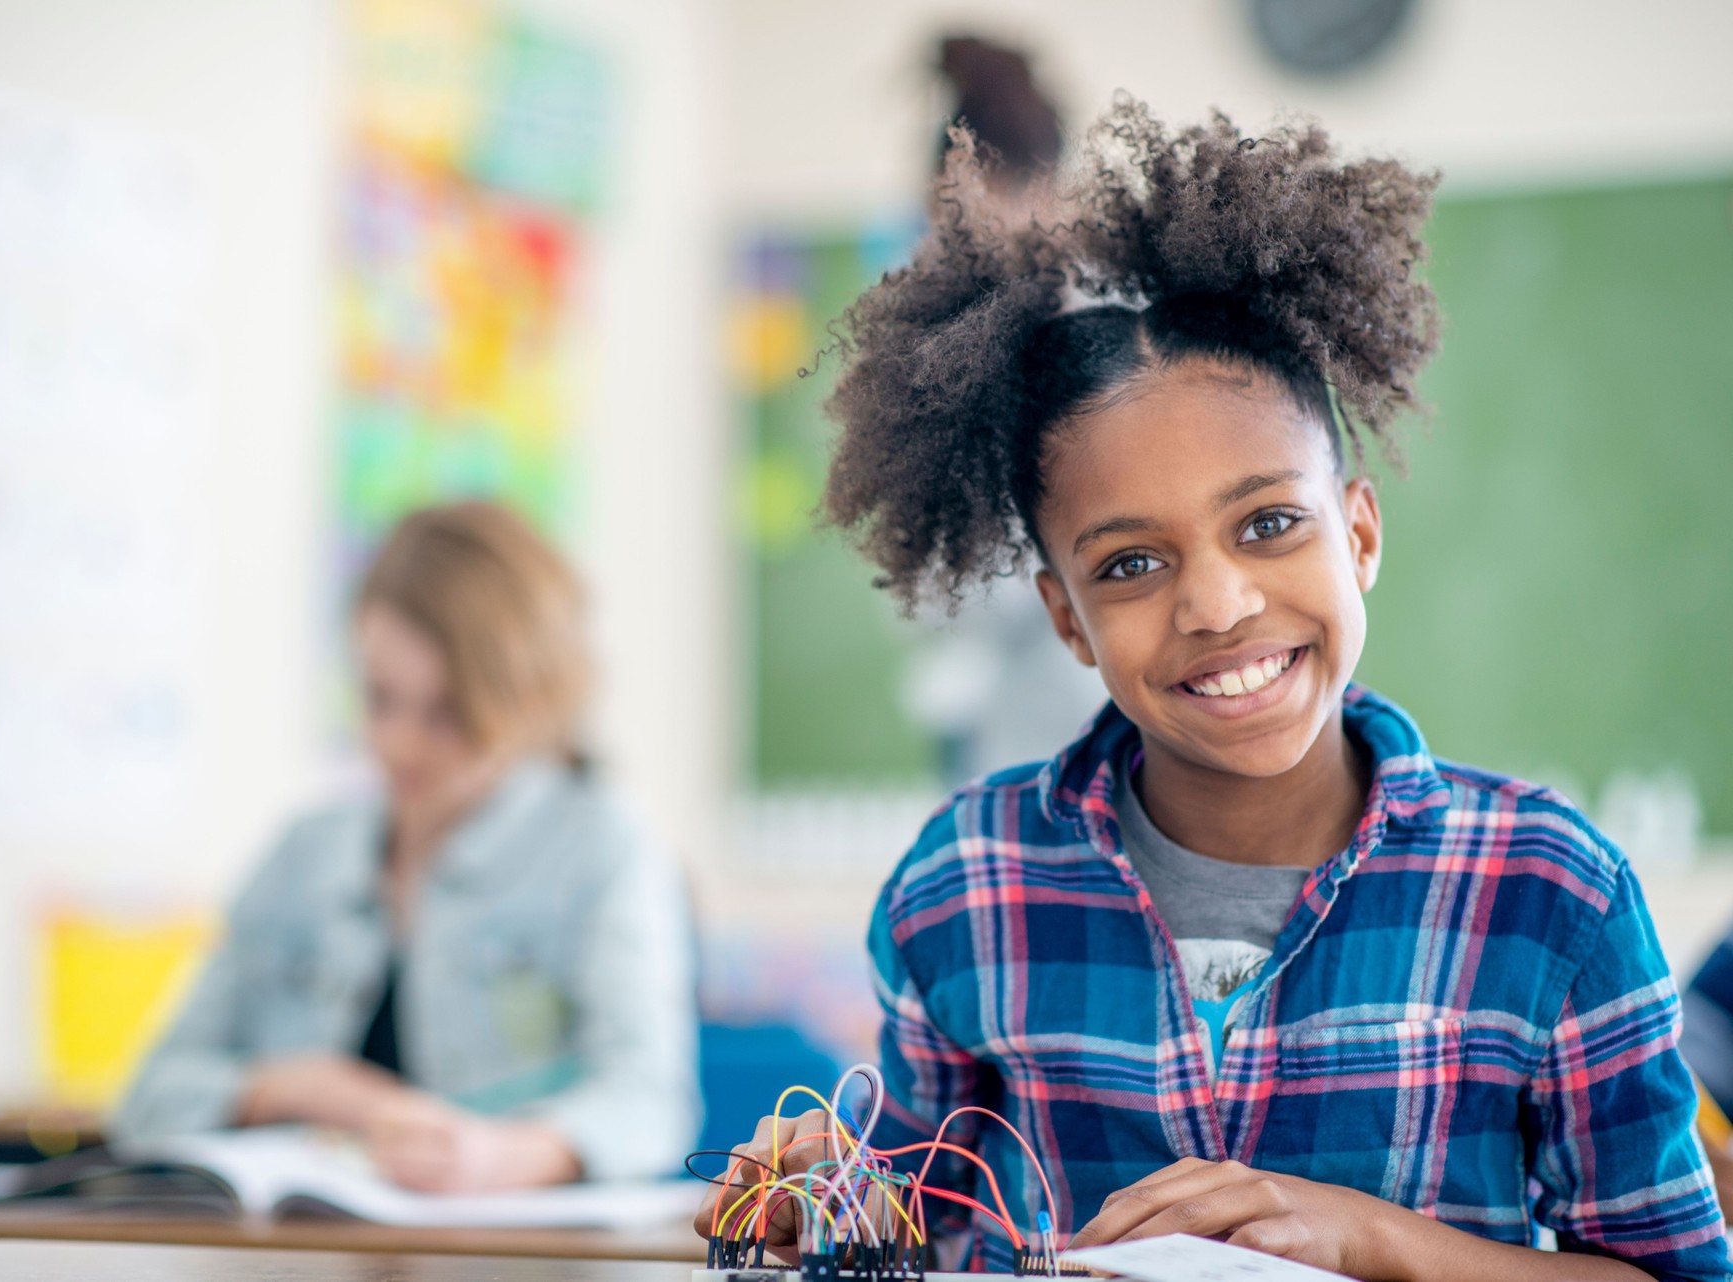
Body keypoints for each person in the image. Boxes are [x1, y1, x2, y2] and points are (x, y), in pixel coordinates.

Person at [697, 101, 1729, 1281]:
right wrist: (824, 1197)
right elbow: (917, 1211)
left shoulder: (1550, 893)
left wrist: (1378, 1239)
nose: (1217, 604)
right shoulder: (963, 885)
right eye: (1130, 564)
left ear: (1360, 533)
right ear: (1063, 620)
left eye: (1270, 524)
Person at [117, 501, 698, 1191]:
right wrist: (308, 1089)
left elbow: (650, 1103)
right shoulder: (302, 855)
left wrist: (505, 1156)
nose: (399, 744)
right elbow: (147, 1100)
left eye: (445, 712)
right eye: (379, 698)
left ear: (525, 697)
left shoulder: (603, 846)